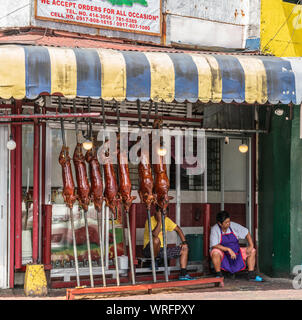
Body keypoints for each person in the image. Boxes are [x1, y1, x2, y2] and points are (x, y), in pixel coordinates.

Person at [143, 205, 195, 280]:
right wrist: (160, 221)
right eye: (161, 214)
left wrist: (184, 242)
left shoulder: (166, 220)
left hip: (162, 250)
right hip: (149, 250)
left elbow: (178, 229)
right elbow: (154, 234)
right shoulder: (149, 221)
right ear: (156, 213)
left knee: (184, 249)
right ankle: (153, 261)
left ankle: (183, 274)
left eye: (165, 214)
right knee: (156, 240)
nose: (164, 216)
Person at [210, 210, 263, 281]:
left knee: (252, 251)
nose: (228, 224)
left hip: (237, 252)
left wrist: (251, 245)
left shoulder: (233, 226)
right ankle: (218, 275)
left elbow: (246, 232)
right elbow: (214, 245)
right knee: (215, 252)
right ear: (220, 223)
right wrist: (228, 249)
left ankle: (251, 275)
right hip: (224, 254)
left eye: (229, 221)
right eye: (226, 222)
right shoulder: (215, 229)